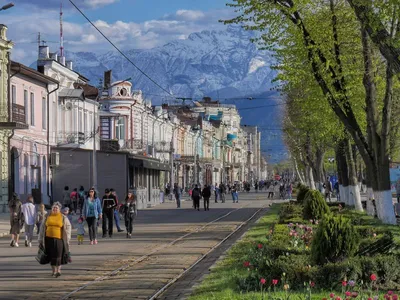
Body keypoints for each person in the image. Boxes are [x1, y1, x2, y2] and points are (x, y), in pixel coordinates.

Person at [38, 202, 71, 278]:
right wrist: (40, 239)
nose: (55, 209)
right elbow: (42, 228)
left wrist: (68, 237)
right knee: (51, 255)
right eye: (54, 208)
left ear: (59, 209)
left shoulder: (63, 217)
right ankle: (54, 271)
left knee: (59, 255)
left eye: (56, 208)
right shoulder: (47, 216)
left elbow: (68, 227)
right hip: (48, 239)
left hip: (59, 239)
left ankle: (58, 270)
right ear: (51, 209)